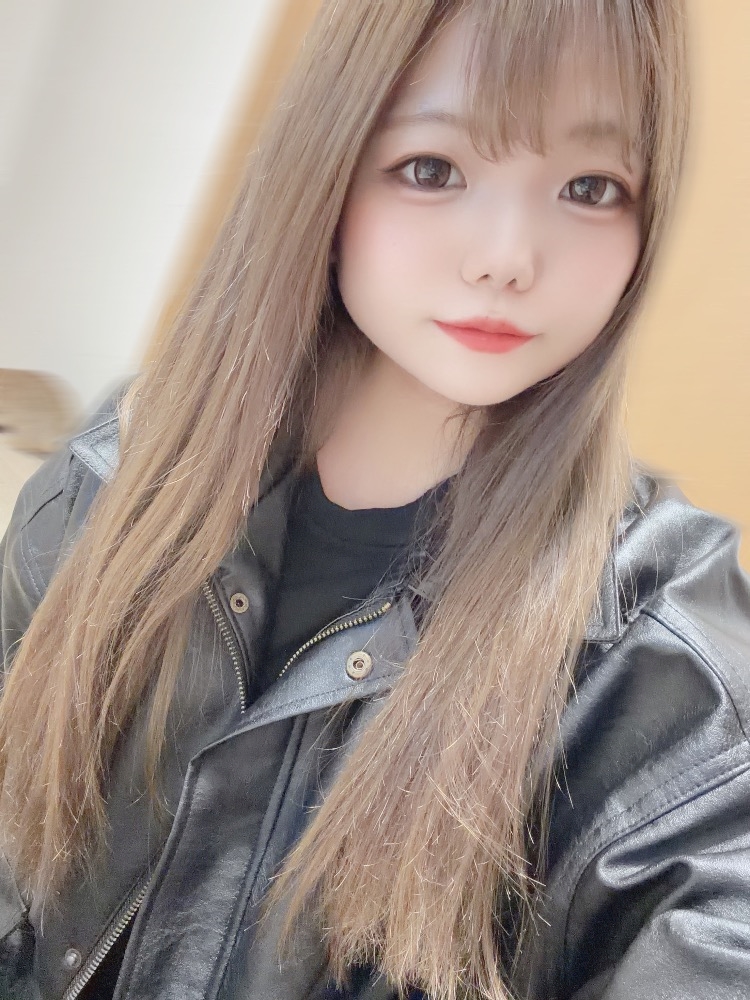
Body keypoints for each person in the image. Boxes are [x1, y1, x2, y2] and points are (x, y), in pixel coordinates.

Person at [1, 1, 749, 998]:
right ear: (330, 164)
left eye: (589, 188)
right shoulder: (113, 484)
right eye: (433, 169)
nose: (507, 257)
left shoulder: (659, 657)